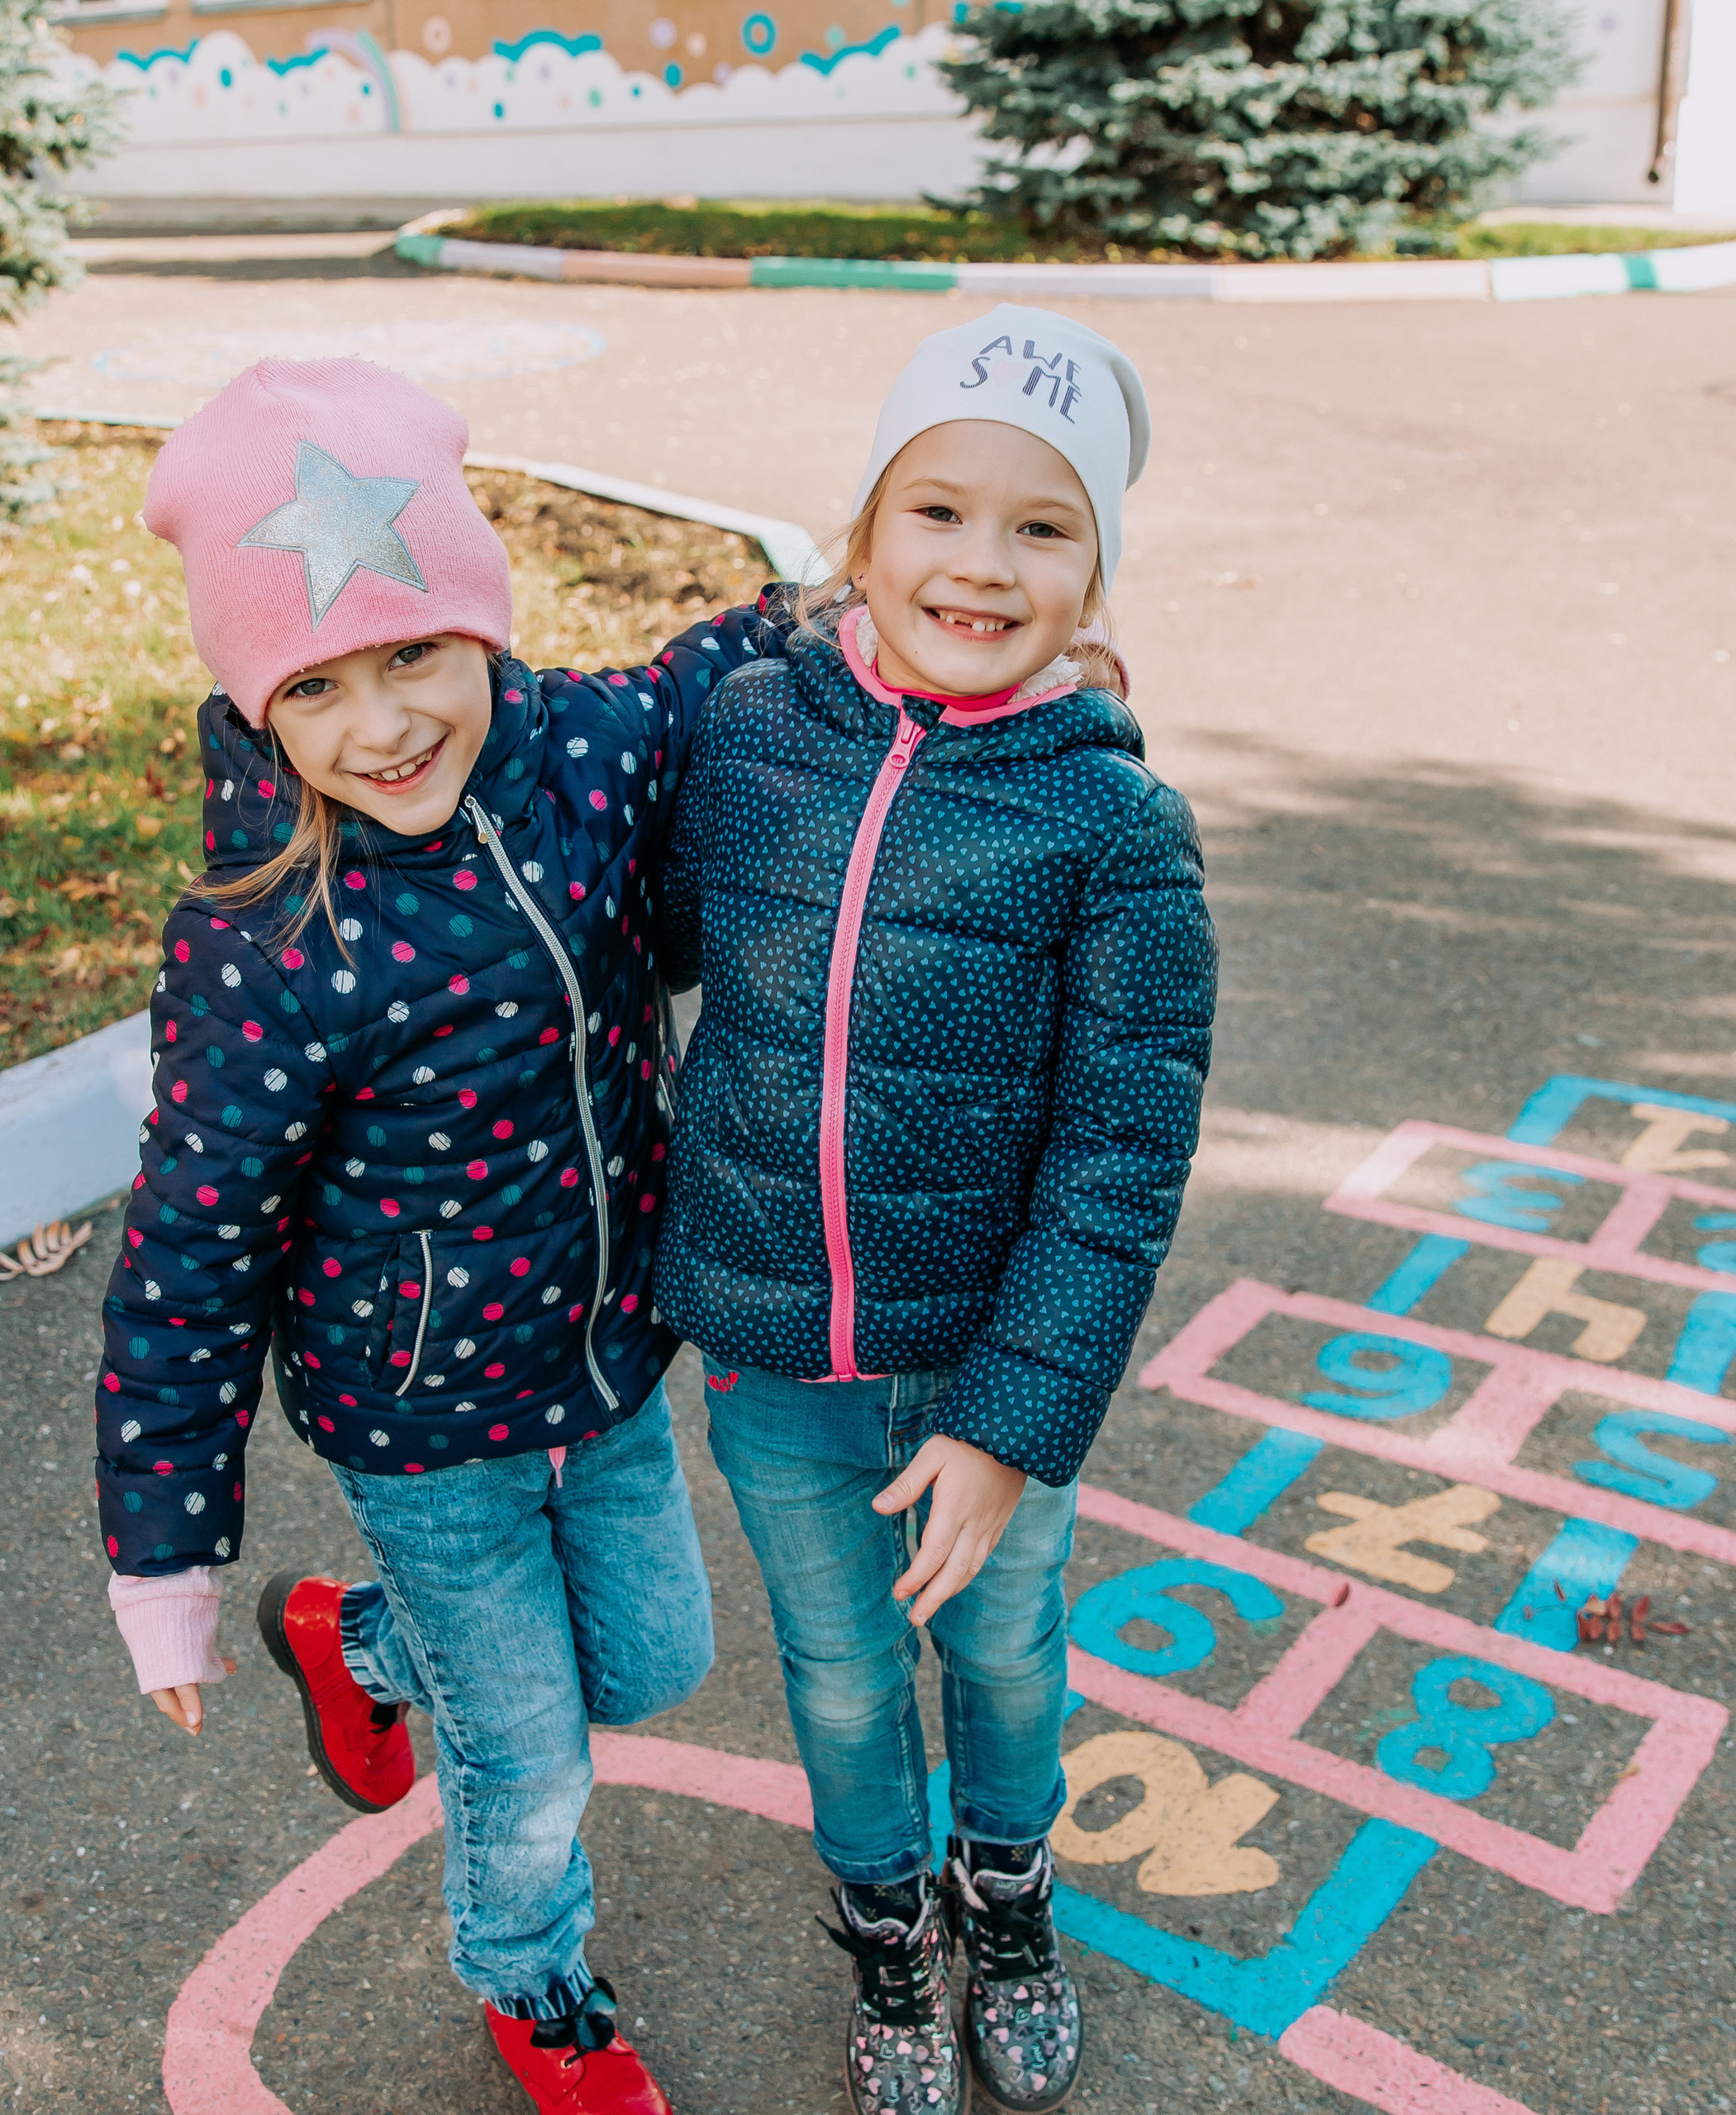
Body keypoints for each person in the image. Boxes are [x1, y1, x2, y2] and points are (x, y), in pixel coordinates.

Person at [97, 358, 774, 2115]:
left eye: (414, 652)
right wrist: (165, 1558)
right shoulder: (265, 941)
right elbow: (188, 1256)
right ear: (255, 704)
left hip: (610, 1350)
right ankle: (533, 1977)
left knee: (656, 1659)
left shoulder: (586, 757)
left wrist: (881, 612)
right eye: (314, 683)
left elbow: (715, 667)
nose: (382, 720)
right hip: (421, 1419)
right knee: (529, 1748)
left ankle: (354, 1642)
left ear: (484, 626)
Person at [659, 305, 1217, 2115]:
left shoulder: (1112, 826)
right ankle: (886, 1929)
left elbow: (1118, 1158)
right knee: (833, 1678)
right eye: (939, 510)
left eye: (1042, 528)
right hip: (777, 1368)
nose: (980, 563)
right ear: (863, 531)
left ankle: (1007, 1887)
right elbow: (629, 943)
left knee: (1000, 1653)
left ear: (1093, 573)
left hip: (982, 1381)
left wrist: (1006, 1421)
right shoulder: (747, 736)